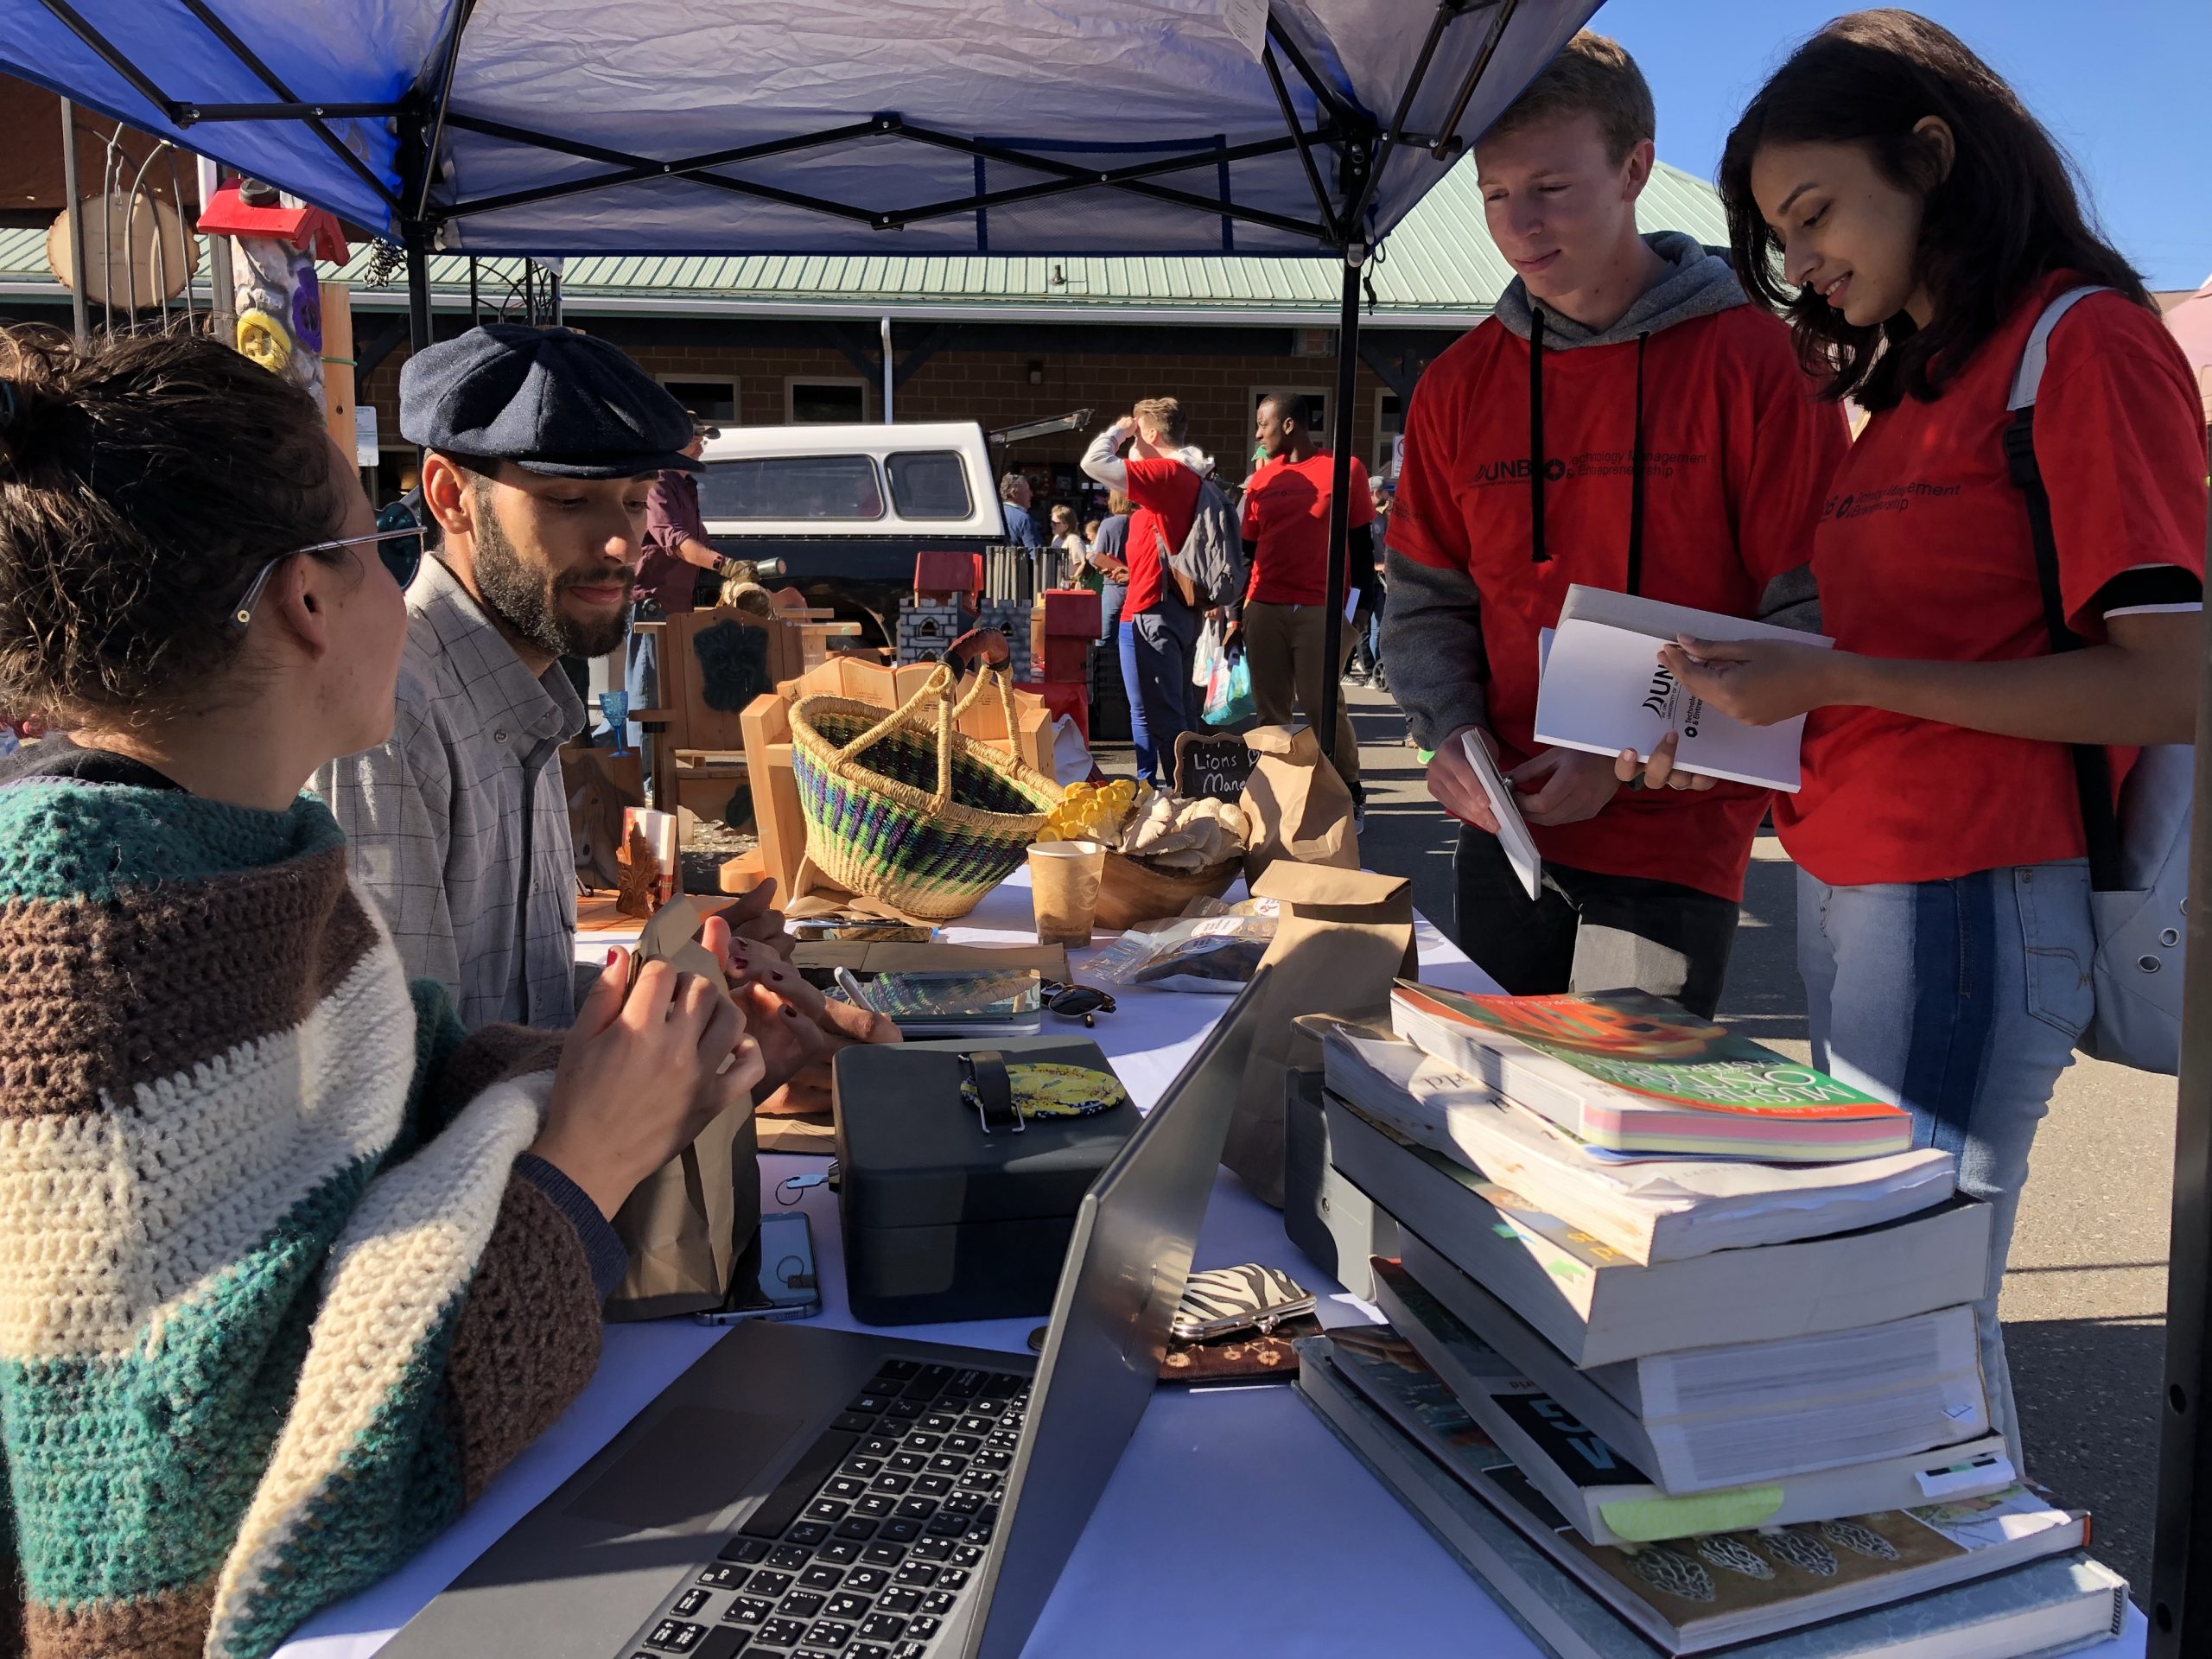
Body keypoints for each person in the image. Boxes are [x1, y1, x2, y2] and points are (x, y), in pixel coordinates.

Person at [0, 326, 766, 1657]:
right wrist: (580, 1168)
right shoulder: (97, 959)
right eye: (375, 547)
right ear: (309, 597)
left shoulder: (236, 862)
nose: (398, 590)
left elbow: (385, 1100)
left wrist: (626, 1065)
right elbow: (188, 1534)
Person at [1643, 9, 2205, 1453]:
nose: (1803, 260)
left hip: (1972, 884)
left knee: (1898, 1315)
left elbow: (2170, 679)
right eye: (1779, 233)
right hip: (1858, 874)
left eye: (1817, 213)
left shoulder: (2083, 345)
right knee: (1895, 1310)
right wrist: (1726, 703)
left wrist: (1836, 682)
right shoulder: (1914, 383)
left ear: (1934, 158)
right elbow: (1897, 640)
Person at [1382, 30, 1848, 1019]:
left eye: (1549, 187)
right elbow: (1427, 604)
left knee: (1620, 1135)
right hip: (1504, 827)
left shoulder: (1764, 365)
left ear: (1635, 167)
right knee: (1481, 1124)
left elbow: (1814, 621)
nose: (1518, 226)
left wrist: (1626, 747)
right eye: (1495, 194)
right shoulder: (1457, 387)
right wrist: (1447, 734)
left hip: (1677, 840)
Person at [311, 324, 695, 1029]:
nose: (620, 544)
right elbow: (399, 1071)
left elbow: (515, 1000)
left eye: (635, 499)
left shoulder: (520, 686)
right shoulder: (390, 713)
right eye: (568, 501)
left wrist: (687, 993)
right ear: (450, 496)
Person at [1237, 392, 1376, 812]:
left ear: (1289, 424)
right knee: (1270, 711)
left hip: (1322, 604)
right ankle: (1275, 799)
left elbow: (1362, 545)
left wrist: (1363, 607)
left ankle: (1348, 792)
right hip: (1264, 602)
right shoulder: (1261, 479)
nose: (1258, 433)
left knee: (1323, 705)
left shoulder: (1345, 469)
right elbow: (1248, 548)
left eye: (1263, 423)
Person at [1081, 399, 1213, 785]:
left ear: (1152, 435)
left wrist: (1118, 431)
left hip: (1155, 611)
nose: (1130, 445)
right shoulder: (1190, 475)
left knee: (1166, 714)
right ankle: (1187, 791)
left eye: (1138, 435)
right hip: (1175, 611)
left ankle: (1182, 794)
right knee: (1178, 709)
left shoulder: (1168, 474)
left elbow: (1094, 462)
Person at [626, 421, 753, 762]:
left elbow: (700, 541)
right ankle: (646, 778)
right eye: (694, 439)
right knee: (647, 693)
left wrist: (732, 569)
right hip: (651, 602)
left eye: (702, 440)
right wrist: (725, 565)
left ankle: (652, 769)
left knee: (664, 692)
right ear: (671, 443)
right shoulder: (657, 482)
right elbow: (677, 542)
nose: (700, 446)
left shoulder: (685, 485)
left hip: (674, 603)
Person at [1347, 477, 1394, 689]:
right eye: (1385, 492)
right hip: (1359, 580)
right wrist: (1376, 565)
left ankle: (1373, 669)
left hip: (1377, 581)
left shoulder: (1381, 518)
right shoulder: (1360, 518)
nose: (1388, 496)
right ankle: (1360, 672)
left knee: (1377, 625)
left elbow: (1385, 545)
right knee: (1357, 625)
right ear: (1376, 493)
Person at [1090, 491, 1133, 644]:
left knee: (1104, 640)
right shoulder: (1141, 521)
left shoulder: (1108, 524)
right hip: (1137, 587)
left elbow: (1096, 557)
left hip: (1113, 586)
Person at [1050, 503, 1096, 589]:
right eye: (1051, 522)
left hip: (1068, 588)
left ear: (1066, 525)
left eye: (1055, 523)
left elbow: (1082, 564)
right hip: (1056, 584)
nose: (1052, 525)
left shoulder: (1074, 540)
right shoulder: (1056, 538)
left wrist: (1072, 582)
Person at [997, 472, 1042, 547]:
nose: (1031, 495)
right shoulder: (1023, 519)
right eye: (1027, 491)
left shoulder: (994, 515)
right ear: (1014, 493)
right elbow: (1036, 554)